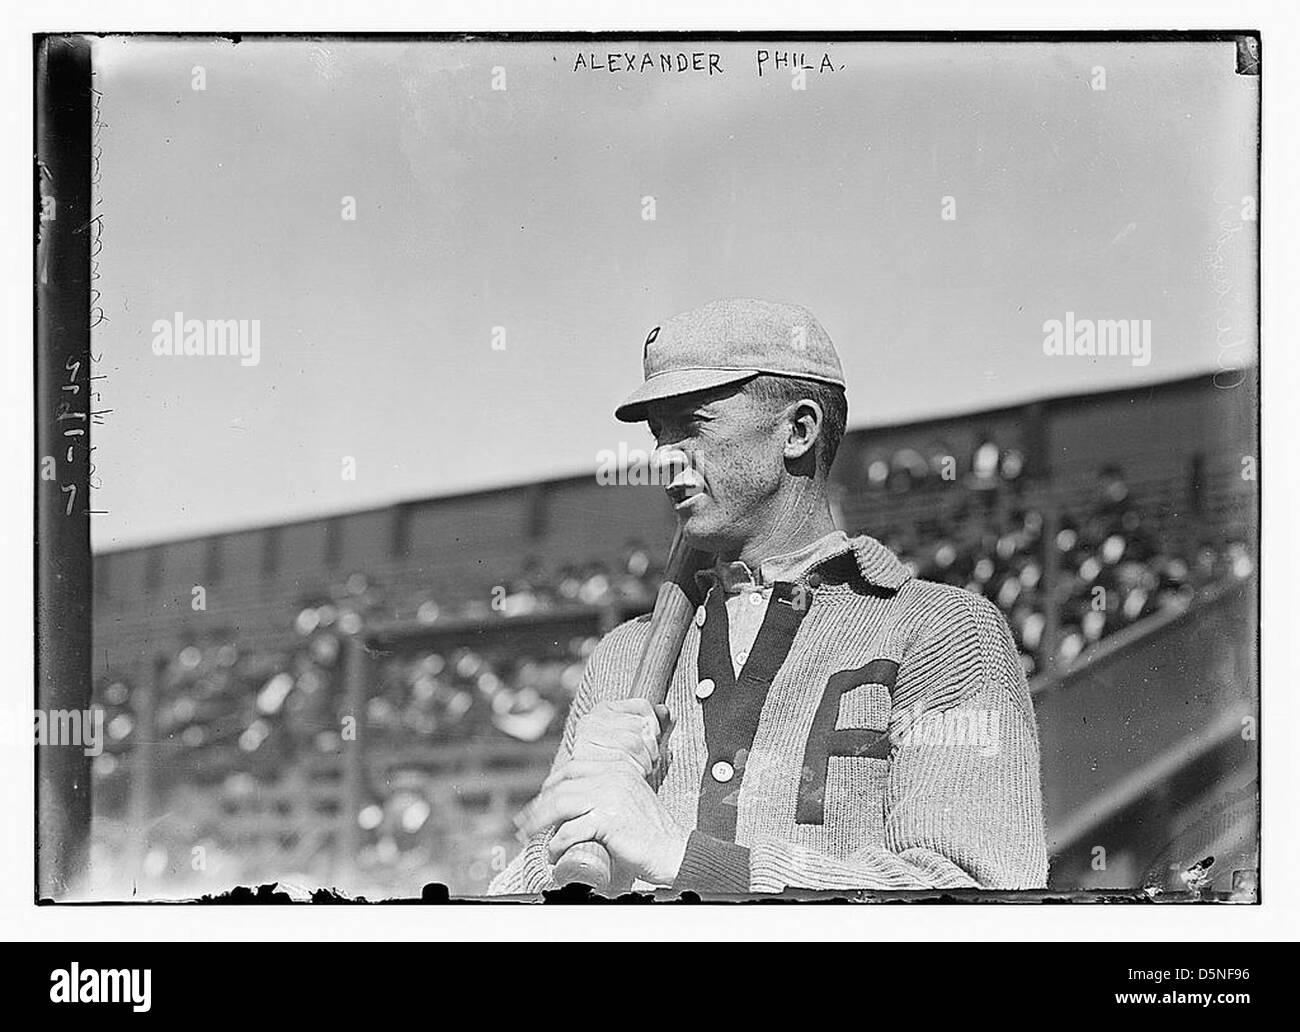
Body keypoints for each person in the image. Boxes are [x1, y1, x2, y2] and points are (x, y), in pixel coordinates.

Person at [490, 298, 1047, 894]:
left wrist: (680, 856)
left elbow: (977, 895)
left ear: (797, 430)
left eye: (694, 426)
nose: (664, 459)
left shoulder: (942, 630)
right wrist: (562, 837)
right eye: (660, 435)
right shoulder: (622, 659)